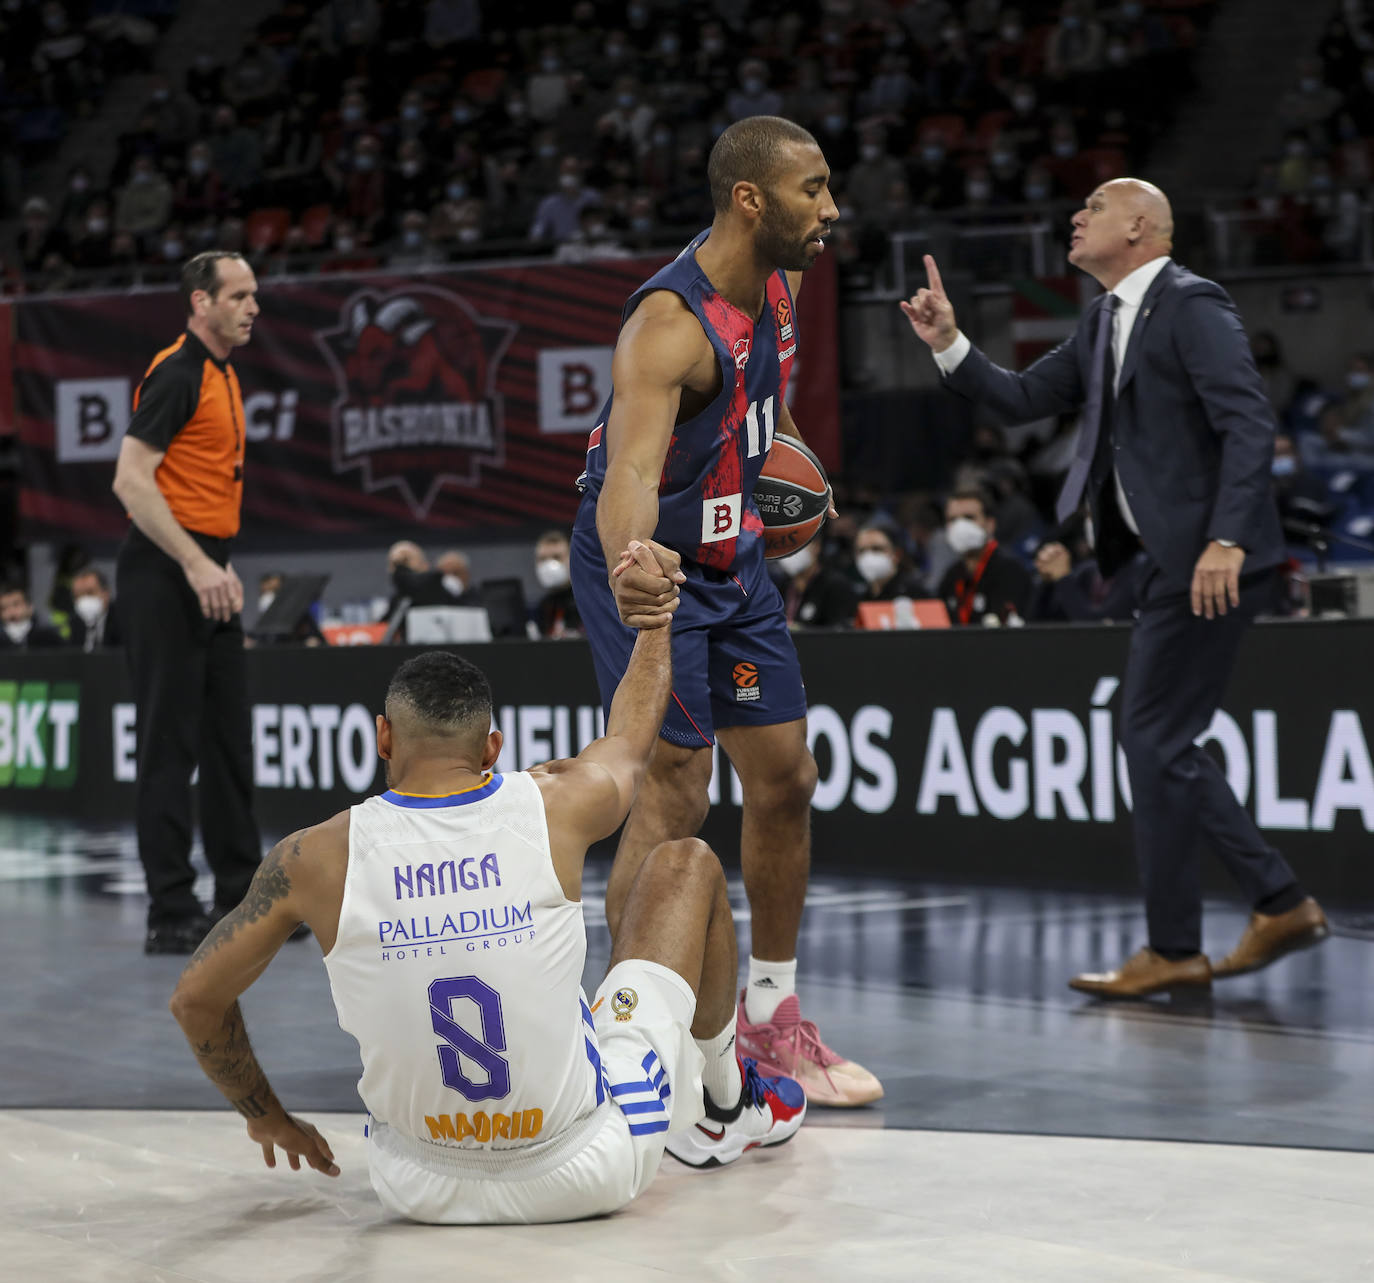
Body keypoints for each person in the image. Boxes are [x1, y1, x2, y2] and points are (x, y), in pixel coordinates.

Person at [168, 542, 805, 1224]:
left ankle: (710, 1099)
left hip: (416, 1185)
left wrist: (269, 1118)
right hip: (584, 1170)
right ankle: (722, 1104)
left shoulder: (315, 856)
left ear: (384, 737)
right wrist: (655, 621)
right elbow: (633, 738)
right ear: (493, 748)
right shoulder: (549, 803)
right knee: (686, 861)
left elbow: (195, 1000)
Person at [901, 178, 1328, 996]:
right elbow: (1024, 398)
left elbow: (1249, 421)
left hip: (1210, 557)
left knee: (1155, 738)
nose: (1075, 216)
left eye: (1092, 207)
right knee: (1158, 741)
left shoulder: (1192, 303)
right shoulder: (1103, 318)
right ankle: (1264, 906)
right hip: (1164, 561)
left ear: (1138, 225)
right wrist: (950, 342)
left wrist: (1227, 538)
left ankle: (1214, 929)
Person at [569, 115, 882, 1105]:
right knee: (673, 791)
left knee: (786, 776)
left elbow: (766, 407)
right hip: (651, 562)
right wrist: (633, 562)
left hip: (735, 553)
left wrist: (792, 477)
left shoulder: (779, 290)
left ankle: (774, 1019)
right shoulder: (669, 323)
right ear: (751, 198)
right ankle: (622, 1035)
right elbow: (629, 467)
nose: (830, 209)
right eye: (814, 190)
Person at [111, 250, 266, 956]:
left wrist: (214, 564)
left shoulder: (223, 372)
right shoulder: (178, 371)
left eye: (254, 294)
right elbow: (131, 480)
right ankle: (170, 909)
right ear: (200, 303)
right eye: (236, 295)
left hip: (208, 565)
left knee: (228, 737)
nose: (251, 305)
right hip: (167, 569)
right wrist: (198, 562)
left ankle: (240, 893)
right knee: (168, 744)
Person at [935, 489, 1035, 626]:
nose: (960, 526)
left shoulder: (1010, 572)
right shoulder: (951, 576)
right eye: (953, 519)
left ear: (990, 524)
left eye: (969, 518)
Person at [773, 540, 858, 629]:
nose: (790, 552)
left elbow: (840, 631)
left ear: (816, 547)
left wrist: (801, 629)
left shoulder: (835, 585)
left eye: (797, 545)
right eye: (785, 547)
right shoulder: (782, 587)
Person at [853, 522, 926, 605]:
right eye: (862, 551)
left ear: (896, 554)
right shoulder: (859, 599)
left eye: (876, 549)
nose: (868, 556)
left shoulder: (915, 595)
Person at [532, 529, 582, 639]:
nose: (549, 565)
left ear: (572, 559)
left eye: (557, 557)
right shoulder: (541, 608)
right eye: (543, 559)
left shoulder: (588, 603)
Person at [70, 566, 123, 650]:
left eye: (90, 593)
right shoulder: (74, 624)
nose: (84, 600)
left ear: (106, 594)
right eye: (78, 595)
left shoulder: (122, 622)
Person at [0, 583, 64, 650]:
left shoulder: (49, 637)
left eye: (16, 605)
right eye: (4, 608)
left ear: (30, 607)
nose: (11, 612)